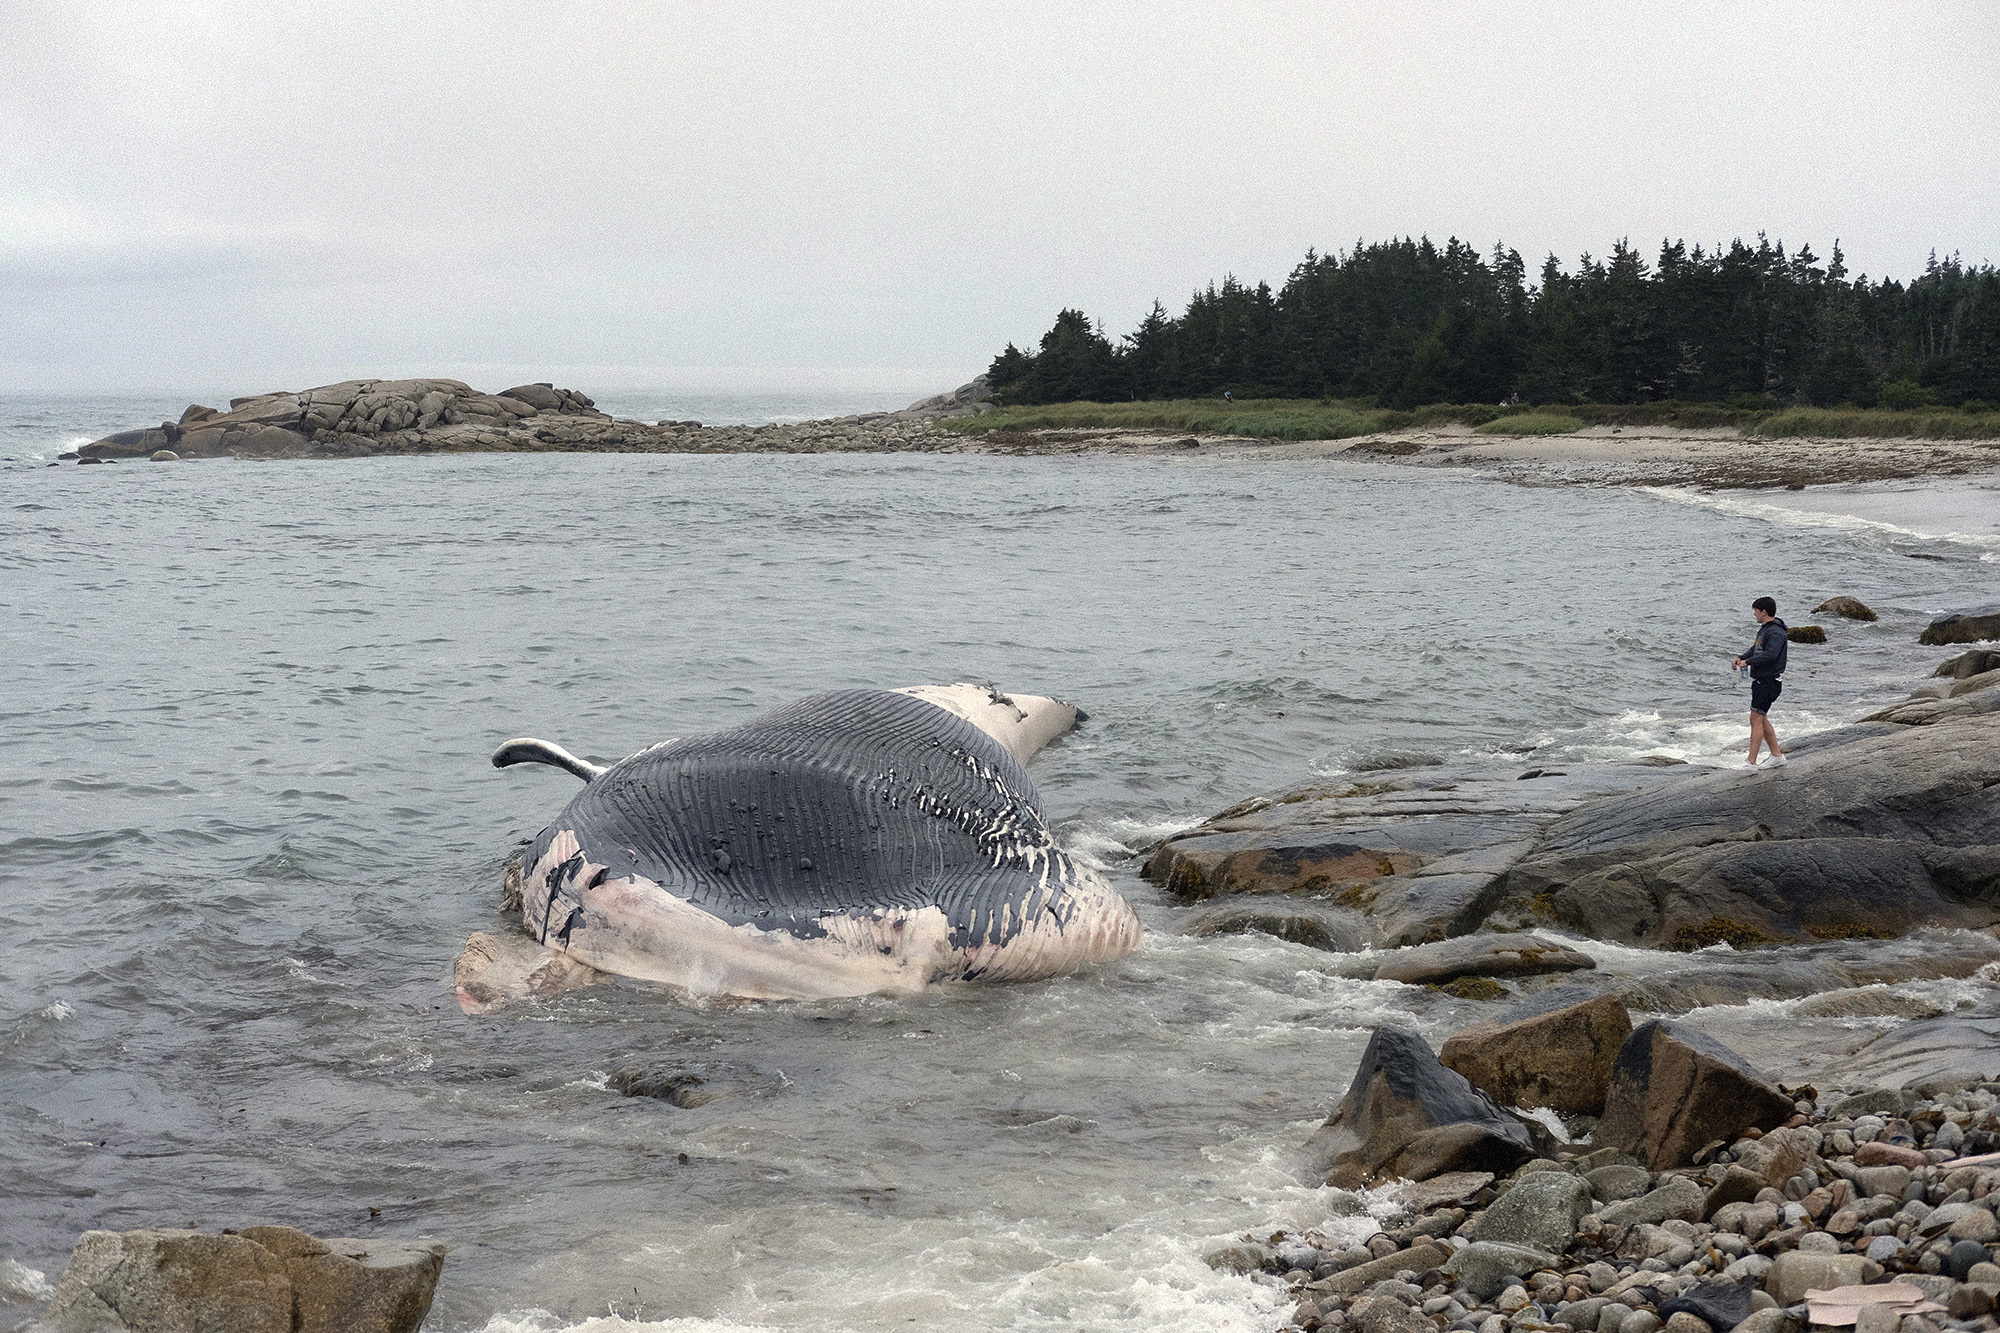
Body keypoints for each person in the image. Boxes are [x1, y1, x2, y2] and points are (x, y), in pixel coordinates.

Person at [1729, 596, 1789, 769]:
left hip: (1769, 681)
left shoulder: (1776, 632)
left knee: (1755, 718)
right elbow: (1756, 649)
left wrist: (1748, 663)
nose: (1754, 614)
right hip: (1762, 681)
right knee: (1761, 718)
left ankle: (1751, 762)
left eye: (1756, 611)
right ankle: (1777, 756)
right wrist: (1741, 657)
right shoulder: (1765, 630)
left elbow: (1771, 654)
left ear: (1764, 611)